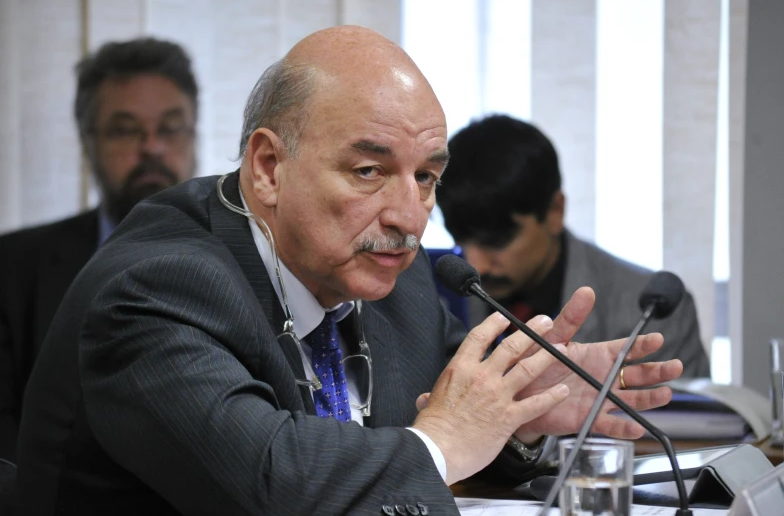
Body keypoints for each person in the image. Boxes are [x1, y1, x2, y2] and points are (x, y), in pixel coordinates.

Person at [16, 27, 682, 515]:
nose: (409, 215)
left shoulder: (395, 272)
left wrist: (522, 414)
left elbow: (446, 422)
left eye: (425, 177)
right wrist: (444, 440)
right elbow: (273, 486)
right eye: (368, 171)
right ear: (269, 168)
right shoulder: (158, 287)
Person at [0, 37, 198, 463]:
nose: (151, 147)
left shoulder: (254, 259)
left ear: (194, 134)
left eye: (169, 127)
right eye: (125, 129)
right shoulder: (12, 269)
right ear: (87, 143)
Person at [435, 114, 711, 377]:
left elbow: (680, 423)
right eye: (460, 240)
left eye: (497, 241)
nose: (476, 263)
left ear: (555, 211)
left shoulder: (649, 313)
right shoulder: (430, 299)